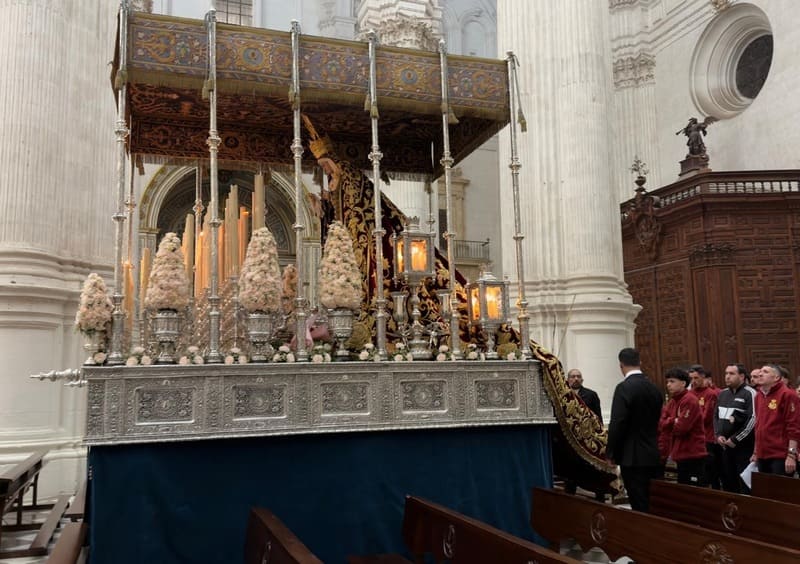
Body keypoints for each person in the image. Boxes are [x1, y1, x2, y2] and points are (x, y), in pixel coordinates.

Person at [607, 348, 664, 512]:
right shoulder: (654, 388)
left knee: (638, 501)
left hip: (631, 456)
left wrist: (611, 452)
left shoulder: (623, 388)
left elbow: (618, 422)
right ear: (640, 363)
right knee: (652, 500)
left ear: (621, 365)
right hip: (652, 452)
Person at [658, 367, 707, 486]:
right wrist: (672, 420)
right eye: (667, 382)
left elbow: (681, 429)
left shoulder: (689, 400)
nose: (668, 385)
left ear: (683, 383)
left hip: (692, 453)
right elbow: (661, 424)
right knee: (683, 490)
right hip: (679, 453)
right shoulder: (672, 401)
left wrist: (671, 422)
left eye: (672, 381)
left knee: (693, 492)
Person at [714, 363, 756, 493]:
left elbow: (753, 420)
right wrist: (718, 434)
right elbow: (715, 416)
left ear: (742, 376)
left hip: (743, 447)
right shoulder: (722, 394)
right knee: (728, 481)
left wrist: (736, 439)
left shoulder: (750, 393)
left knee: (744, 484)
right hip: (724, 446)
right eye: (726, 373)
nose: (727, 377)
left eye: (731, 374)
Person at [752, 364, 800, 476]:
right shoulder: (758, 396)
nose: (760, 374)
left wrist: (791, 455)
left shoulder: (787, 394)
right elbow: (758, 425)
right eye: (760, 371)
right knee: (764, 491)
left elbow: (794, 427)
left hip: (780, 454)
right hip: (762, 453)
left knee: (779, 492)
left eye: (765, 372)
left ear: (776, 378)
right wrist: (755, 452)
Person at [689, 364, 721, 489]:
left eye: (696, 378)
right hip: (693, 438)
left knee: (710, 471)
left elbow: (706, 417)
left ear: (703, 377)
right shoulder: (690, 393)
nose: (693, 381)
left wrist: (688, 421)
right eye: (691, 378)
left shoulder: (710, 394)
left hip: (707, 438)